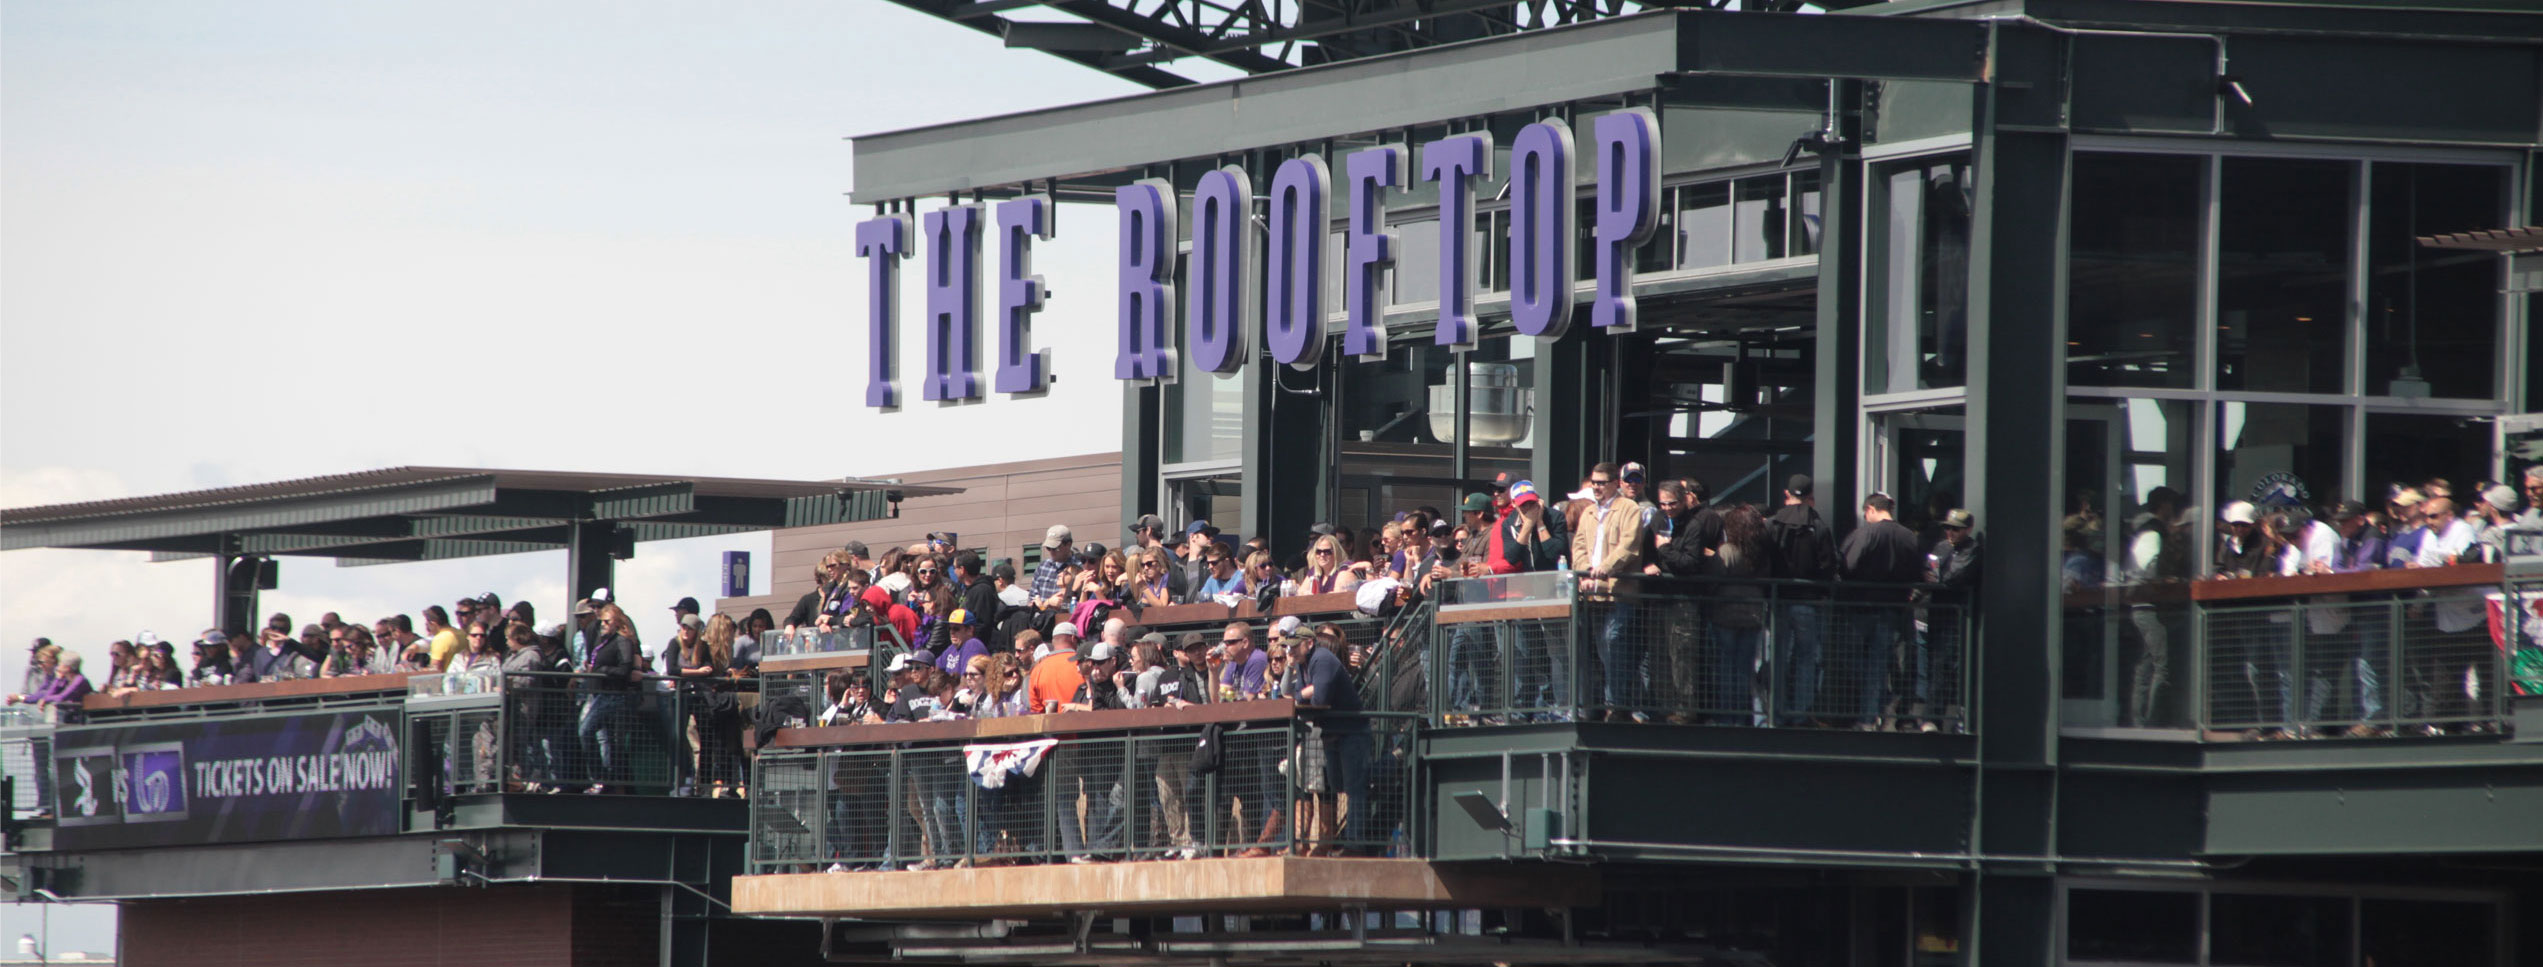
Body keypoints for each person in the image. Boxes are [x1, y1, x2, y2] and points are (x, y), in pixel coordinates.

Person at [1838, 493, 1925, 729]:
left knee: (1850, 660)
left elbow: (1848, 566)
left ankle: (1873, 710)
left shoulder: (1866, 533)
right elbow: (1919, 573)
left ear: (1870, 509)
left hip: (1863, 608)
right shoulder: (1909, 537)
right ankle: (1870, 717)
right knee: (1878, 664)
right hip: (1894, 610)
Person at [1570, 462, 1648, 719]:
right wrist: (1584, 571)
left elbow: (1629, 546)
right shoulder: (1589, 512)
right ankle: (1598, 706)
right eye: (1594, 482)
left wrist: (1605, 567)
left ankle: (1619, 706)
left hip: (1619, 592)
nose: (1596, 487)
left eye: (1601, 483)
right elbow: (1579, 546)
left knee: (1614, 645)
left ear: (1616, 483)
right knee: (1597, 650)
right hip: (1592, 594)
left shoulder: (1629, 508)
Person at [1296, 622, 1368, 856]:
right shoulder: (1301, 662)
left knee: (1354, 788)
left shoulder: (1322, 659)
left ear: (1308, 643)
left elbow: (1319, 699)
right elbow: (1294, 695)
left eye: (1294, 647)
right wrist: (1305, 692)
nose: (1289, 652)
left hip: (1351, 732)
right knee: (1335, 785)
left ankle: (1355, 845)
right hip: (1329, 733)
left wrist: (1306, 694)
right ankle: (1341, 840)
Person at [1924, 508, 1983, 732]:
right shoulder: (1941, 546)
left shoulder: (1973, 549)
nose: (1950, 533)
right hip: (1939, 615)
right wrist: (1929, 577)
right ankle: (1932, 719)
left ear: (1968, 530)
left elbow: (1953, 577)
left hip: (1960, 619)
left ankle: (1961, 720)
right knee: (1937, 667)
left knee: (1959, 669)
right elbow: (1929, 570)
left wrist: (1935, 577)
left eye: (1956, 529)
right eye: (1948, 528)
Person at [576, 603, 643, 793]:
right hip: (602, 694)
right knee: (603, 739)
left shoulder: (622, 641)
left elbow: (624, 669)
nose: (602, 625)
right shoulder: (605, 640)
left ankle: (602, 780)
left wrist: (602, 670)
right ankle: (603, 780)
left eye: (606, 621)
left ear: (616, 622)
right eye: (601, 621)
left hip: (613, 696)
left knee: (589, 732)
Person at [1030, 525, 1076, 615]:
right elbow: (1031, 601)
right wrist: (1048, 602)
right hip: (1042, 621)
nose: (1051, 551)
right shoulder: (1042, 567)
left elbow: (1080, 604)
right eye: (1048, 548)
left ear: (1068, 544)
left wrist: (1062, 605)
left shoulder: (1078, 568)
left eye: (1055, 548)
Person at [1217, 622, 1269, 701]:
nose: (1225, 647)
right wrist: (1212, 670)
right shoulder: (1233, 661)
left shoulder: (1257, 660)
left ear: (1245, 643)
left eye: (1229, 643)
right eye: (1224, 643)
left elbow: (1249, 699)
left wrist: (1229, 695)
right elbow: (1219, 697)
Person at [422, 605, 465, 670]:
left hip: (448, 679)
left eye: (427, 624)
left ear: (433, 623)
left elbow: (435, 670)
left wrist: (420, 671)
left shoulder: (440, 639)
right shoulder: (462, 634)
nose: (427, 627)